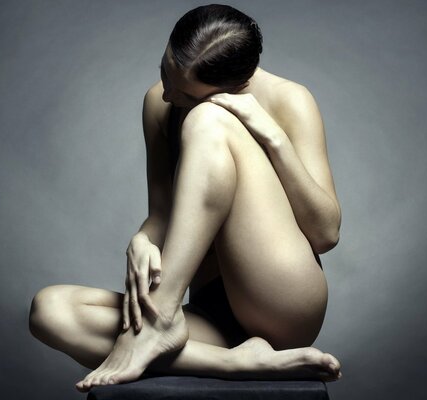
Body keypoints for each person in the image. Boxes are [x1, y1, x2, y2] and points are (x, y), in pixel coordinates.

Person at [29, 4, 342, 392]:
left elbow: (326, 234)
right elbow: (161, 215)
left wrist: (272, 138)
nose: (170, 94)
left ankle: (160, 322)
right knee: (51, 311)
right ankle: (234, 362)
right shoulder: (160, 103)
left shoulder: (289, 98)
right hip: (206, 316)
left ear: (238, 86)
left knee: (208, 120)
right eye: (166, 72)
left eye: (187, 93)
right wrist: (143, 239)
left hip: (282, 300)